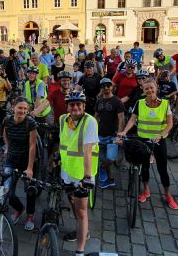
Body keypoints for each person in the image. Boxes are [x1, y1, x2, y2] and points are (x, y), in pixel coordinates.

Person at [118, 79, 178, 210]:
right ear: (143, 90)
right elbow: (132, 120)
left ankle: (168, 195)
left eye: (151, 88)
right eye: (146, 89)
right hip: (143, 139)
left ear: (156, 88)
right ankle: (146, 190)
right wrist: (124, 131)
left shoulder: (165, 104)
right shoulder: (139, 103)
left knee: (162, 169)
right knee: (144, 167)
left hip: (158, 140)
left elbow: (169, 124)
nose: (149, 91)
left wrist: (161, 135)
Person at [60, 91, 99, 256]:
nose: (75, 107)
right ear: (68, 107)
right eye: (72, 104)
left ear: (83, 106)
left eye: (78, 104)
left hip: (83, 173)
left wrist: (88, 177)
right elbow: (63, 143)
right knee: (72, 201)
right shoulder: (63, 119)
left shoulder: (90, 122)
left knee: (82, 210)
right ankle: (81, 229)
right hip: (66, 171)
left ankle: (80, 250)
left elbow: (87, 151)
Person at [3, 97, 38, 231]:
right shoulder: (7, 120)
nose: (22, 111)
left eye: (25, 108)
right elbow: (5, 134)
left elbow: (32, 146)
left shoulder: (31, 123)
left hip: (27, 160)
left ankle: (30, 214)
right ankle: (19, 208)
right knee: (7, 191)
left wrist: (29, 168)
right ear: (13, 108)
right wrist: (7, 147)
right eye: (20, 108)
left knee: (30, 190)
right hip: (11, 159)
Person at [94, 78, 125, 188]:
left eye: (108, 85)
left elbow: (121, 119)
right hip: (100, 135)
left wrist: (120, 134)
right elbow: (96, 117)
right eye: (103, 86)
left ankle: (103, 168)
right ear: (101, 88)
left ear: (112, 87)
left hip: (112, 135)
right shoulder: (99, 101)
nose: (106, 87)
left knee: (110, 159)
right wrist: (92, 131)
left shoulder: (117, 101)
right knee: (103, 157)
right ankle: (110, 179)